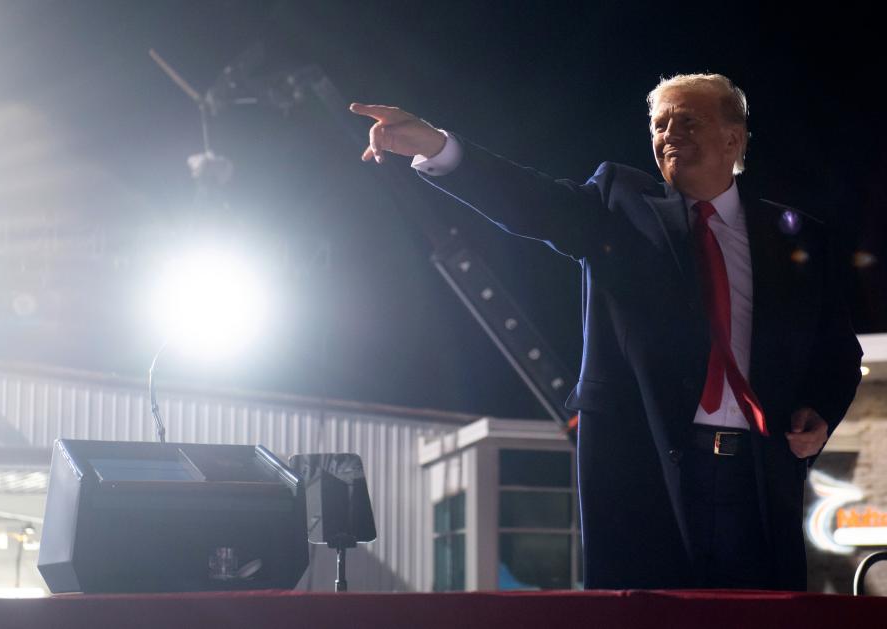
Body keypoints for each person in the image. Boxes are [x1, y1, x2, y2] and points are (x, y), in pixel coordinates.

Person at [350, 73, 863, 590]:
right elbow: (530, 201)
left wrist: (819, 412)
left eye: (687, 120)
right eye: (659, 125)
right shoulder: (619, 206)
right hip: (645, 469)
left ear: (734, 138)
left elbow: (837, 353)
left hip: (756, 475)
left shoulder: (795, 238)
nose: (668, 134)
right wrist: (438, 147)